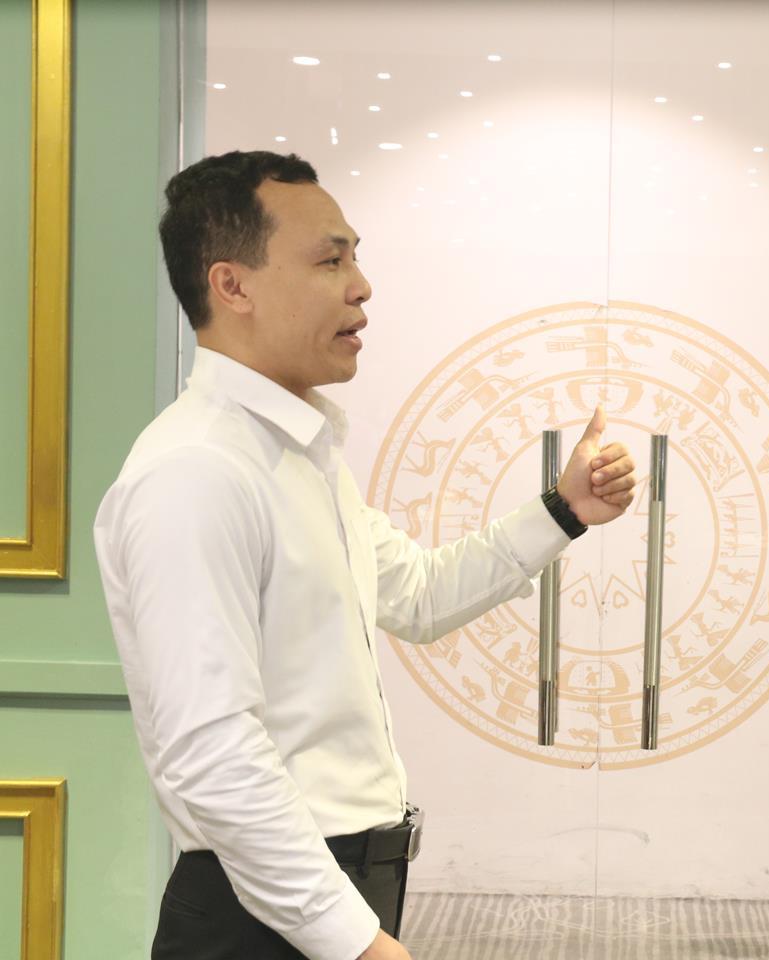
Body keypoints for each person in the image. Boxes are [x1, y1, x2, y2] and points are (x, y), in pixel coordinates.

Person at [94, 150, 638, 960]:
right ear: (232, 286)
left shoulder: (296, 456)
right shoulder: (197, 472)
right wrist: (353, 941)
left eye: (355, 258)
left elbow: (417, 594)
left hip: (328, 896)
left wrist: (563, 512)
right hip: (264, 917)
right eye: (330, 260)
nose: (362, 286)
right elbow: (211, 755)